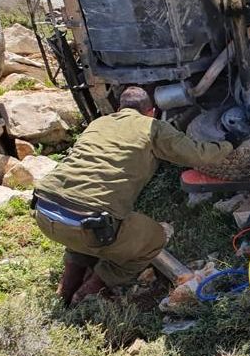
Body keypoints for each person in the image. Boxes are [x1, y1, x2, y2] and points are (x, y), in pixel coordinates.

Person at [33, 86, 235, 305]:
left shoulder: (98, 123)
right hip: (91, 221)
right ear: (152, 111)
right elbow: (199, 155)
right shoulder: (152, 126)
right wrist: (230, 143)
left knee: (80, 223)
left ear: (119, 108)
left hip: (45, 210)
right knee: (153, 239)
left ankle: (65, 288)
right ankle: (89, 289)